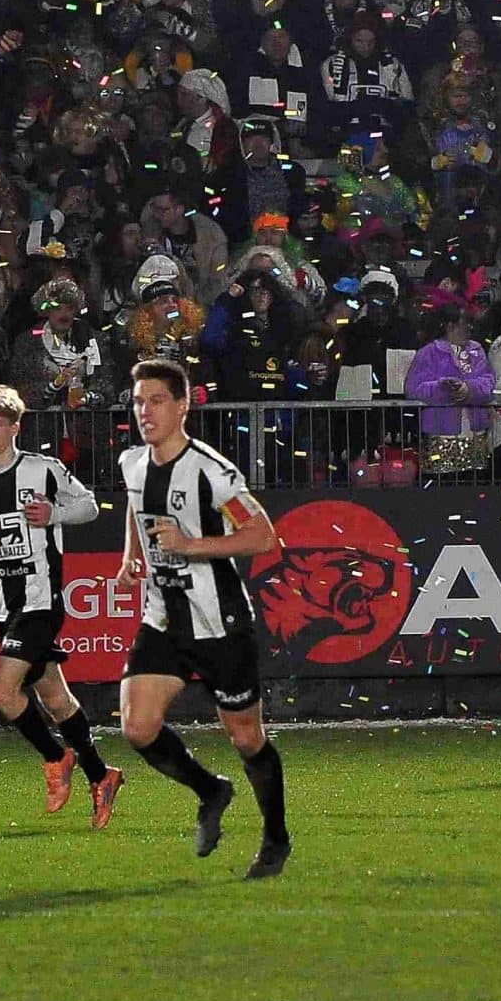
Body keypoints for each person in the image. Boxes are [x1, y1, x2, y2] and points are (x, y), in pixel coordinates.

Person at [114, 357, 291, 880]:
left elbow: (264, 537)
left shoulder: (211, 472)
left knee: (246, 738)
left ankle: (276, 838)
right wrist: (130, 556)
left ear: (183, 406)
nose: (145, 412)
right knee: (137, 726)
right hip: (163, 617)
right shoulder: (132, 463)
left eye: (157, 401)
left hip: (219, 622)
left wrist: (191, 545)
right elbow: (136, 510)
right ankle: (210, 790)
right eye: (139, 402)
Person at [0, 384, 123, 825]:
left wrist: (54, 515)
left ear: (15, 427)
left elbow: (89, 506)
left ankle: (55, 757)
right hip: (3, 605)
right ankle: (102, 776)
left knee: (2, 693)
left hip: (41, 600)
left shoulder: (43, 470)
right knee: (56, 698)